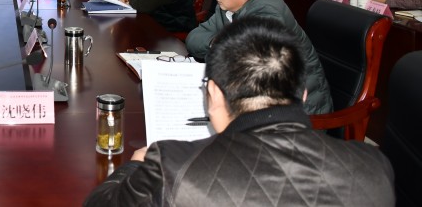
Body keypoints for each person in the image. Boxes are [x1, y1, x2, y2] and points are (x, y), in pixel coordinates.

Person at [85, 17, 394, 207]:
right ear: (303, 94)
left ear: (213, 94)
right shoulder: (374, 167)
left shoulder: (171, 166)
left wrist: (135, 166)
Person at [185, 0, 333, 115]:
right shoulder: (229, 6)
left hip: (300, 112)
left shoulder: (268, 15)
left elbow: (239, 67)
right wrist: (215, 42)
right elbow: (193, 38)